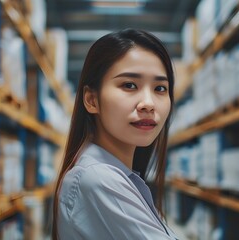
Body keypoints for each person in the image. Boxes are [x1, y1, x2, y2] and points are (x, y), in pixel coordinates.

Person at [53, 28, 177, 240]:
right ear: (91, 100)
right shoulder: (98, 179)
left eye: (160, 88)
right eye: (129, 85)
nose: (148, 103)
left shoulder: (119, 176)